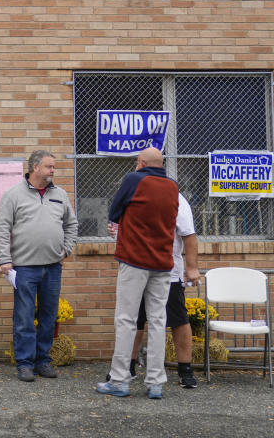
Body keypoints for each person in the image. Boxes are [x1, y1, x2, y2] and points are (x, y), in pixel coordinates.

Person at [96, 147, 179, 400]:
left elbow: (114, 212)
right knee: (157, 321)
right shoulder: (172, 186)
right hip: (163, 263)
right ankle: (155, 383)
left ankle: (120, 380)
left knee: (126, 320)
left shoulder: (134, 179)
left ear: (141, 163)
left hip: (134, 260)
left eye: (136, 162)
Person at [0, 150, 78, 382]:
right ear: (35, 168)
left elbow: (71, 224)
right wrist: (4, 259)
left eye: (54, 167)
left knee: (49, 316)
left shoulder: (60, 194)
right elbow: (2, 228)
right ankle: (24, 363)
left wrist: (66, 249)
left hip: (53, 267)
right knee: (23, 316)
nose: (53, 171)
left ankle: (43, 361)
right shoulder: (13, 195)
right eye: (49, 167)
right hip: (24, 268)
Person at [125, 193, 201, 388]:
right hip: (137, 269)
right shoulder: (133, 193)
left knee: (178, 319)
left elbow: (189, 235)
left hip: (168, 272)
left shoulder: (176, 198)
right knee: (134, 320)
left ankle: (185, 369)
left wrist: (191, 268)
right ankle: (128, 367)